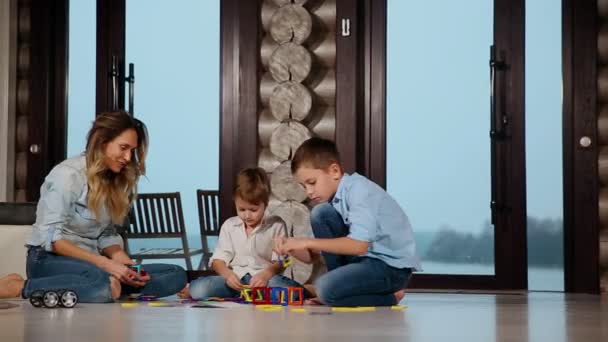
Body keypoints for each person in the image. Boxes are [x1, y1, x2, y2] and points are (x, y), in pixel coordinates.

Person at [0, 111, 186, 302]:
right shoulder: (67, 175)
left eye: (132, 150)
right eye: (123, 148)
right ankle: (20, 286)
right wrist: (106, 265)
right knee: (99, 281)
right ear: (103, 142)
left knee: (175, 274)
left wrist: (121, 261)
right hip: (49, 259)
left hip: (92, 263)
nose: (128, 157)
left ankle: (104, 287)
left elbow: (106, 234)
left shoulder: (116, 181)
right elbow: (51, 239)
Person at [274, 137, 421, 307]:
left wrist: (305, 241)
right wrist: (289, 246)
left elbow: (359, 246)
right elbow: (311, 257)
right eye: (304, 186)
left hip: (390, 268)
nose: (309, 192)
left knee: (324, 288)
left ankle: (388, 297)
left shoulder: (359, 191)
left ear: (334, 171)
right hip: (364, 262)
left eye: (312, 183)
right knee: (321, 213)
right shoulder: (332, 202)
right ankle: (337, 288)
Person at [180, 167, 304, 300]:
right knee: (200, 290)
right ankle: (242, 294)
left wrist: (266, 274)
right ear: (235, 203)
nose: (247, 215)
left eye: (253, 209)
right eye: (241, 209)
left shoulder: (276, 225)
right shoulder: (229, 226)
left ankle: (307, 290)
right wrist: (228, 275)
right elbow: (218, 261)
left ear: (266, 204)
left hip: (264, 281)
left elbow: (282, 262)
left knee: (289, 292)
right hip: (235, 281)